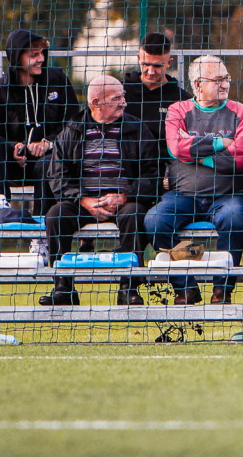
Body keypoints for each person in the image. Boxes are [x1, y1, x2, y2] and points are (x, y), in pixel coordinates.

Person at [144, 55, 243, 305]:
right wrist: (221, 144)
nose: (225, 84)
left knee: (235, 217)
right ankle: (186, 287)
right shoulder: (178, 110)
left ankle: (222, 289)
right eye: (217, 79)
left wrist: (197, 156)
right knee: (155, 219)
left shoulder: (240, 111)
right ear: (197, 85)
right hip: (183, 196)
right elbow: (175, 148)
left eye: (226, 78)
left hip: (228, 195)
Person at [42, 76, 159, 306]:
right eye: (117, 98)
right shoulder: (71, 131)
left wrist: (125, 196)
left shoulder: (137, 128)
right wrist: (83, 200)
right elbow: (56, 176)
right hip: (82, 202)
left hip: (125, 199)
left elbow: (153, 174)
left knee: (134, 214)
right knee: (56, 215)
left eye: (123, 96)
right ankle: (63, 286)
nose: (124, 102)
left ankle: (129, 287)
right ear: (96, 103)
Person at [0, 30, 80, 217]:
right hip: (13, 163)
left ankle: (42, 230)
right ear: (17, 57)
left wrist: (48, 143)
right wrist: (13, 147)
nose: (41, 58)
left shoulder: (57, 80)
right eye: (33, 54)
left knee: (47, 163)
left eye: (42, 53)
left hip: (50, 159)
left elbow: (73, 123)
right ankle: (0, 201)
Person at [122, 32, 192, 180]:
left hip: (166, 174)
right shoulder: (120, 94)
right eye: (146, 64)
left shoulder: (183, 100)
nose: (151, 71)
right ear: (139, 58)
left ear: (169, 63)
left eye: (157, 65)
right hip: (124, 171)